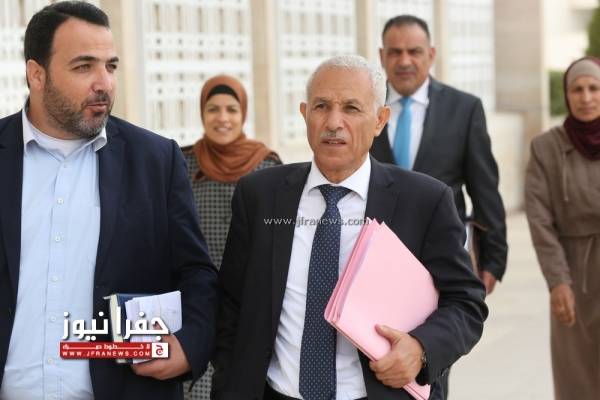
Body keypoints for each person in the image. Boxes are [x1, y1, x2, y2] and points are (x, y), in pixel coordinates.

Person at [212, 55, 487, 400]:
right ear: (304, 114)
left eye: (351, 108)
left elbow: (466, 302)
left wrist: (421, 348)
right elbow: (231, 305)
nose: (333, 122)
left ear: (380, 120)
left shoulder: (424, 201)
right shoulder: (260, 195)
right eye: (321, 106)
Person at [0, 2, 218, 399]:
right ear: (37, 74)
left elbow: (197, 273)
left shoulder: (156, 160)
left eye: (111, 66)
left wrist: (189, 345)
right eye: (84, 67)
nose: (104, 83)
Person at [370, 15, 507, 295]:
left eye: (414, 51)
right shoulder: (363, 108)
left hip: (445, 259)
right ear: (382, 56)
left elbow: (485, 191)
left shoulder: (464, 109)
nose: (405, 61)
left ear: (431, 55)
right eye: (395, 52)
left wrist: (494, 261)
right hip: (373, 262)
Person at [182, 75, 280, 400]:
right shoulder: (182, 163)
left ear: (243, 114)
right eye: (213, 109)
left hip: (245, 305)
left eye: (231, 109)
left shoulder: (267, 168)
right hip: (193, 300)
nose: (222, 118)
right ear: (202, 113)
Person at [525, 56, 600, 400]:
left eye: (594, 88)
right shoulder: (546, 148)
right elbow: (540, 219)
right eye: (577, 89)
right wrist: (557, 281)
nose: (586, 97)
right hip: (574, 274)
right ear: (567, 95)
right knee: (577, 378)